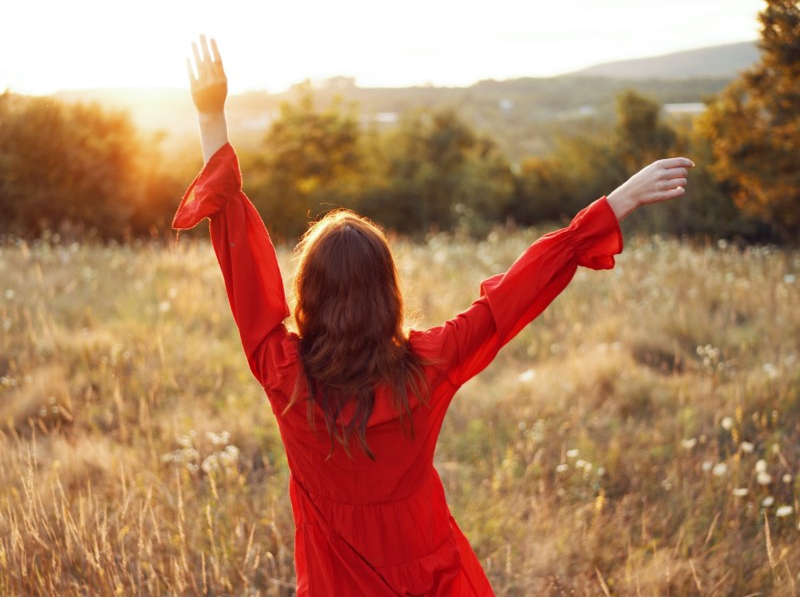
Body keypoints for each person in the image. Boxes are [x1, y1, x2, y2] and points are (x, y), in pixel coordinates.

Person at [175, 35, 694, 596]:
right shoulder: (427, 366)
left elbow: (241, 264)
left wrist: (211, 116)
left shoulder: (285, 374)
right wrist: (613, 206)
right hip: (431, 578)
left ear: (309, 292)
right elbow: (508, 302)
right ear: (387, 293)